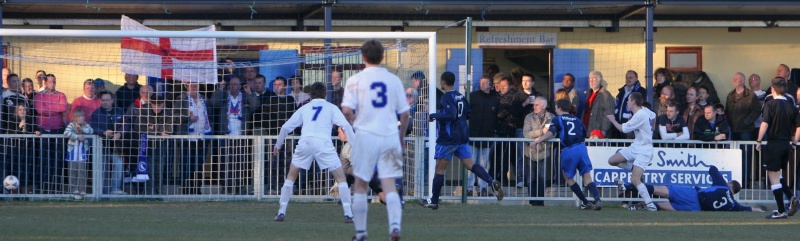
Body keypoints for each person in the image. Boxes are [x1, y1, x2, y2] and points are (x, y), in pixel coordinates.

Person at [341, 39, 409, 241]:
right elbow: (404, 115)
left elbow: (346, 109)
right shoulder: (393, 80)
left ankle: (361, 234)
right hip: (389, 137)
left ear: (363, 57)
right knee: (389, 185)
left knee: (361, 185)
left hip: (366, 136)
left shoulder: (355, 80)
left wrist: (355, 121)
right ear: (382, 57)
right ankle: (395, 228)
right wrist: (401, 137)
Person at [272, 82, 356, 223]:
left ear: (311, 95)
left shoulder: (305, 108)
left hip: (306, 142)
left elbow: (286, 127)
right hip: (323, 143)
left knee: (291, 176)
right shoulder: (331, 108)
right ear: (325, 94)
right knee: (341, 178)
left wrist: (278, 144)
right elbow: (346, 125)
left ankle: (281, 212)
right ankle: (348, 214)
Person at [420, 71, 504, 210]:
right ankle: (491, 181)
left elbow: (451, 114)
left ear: (443, 82)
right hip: (462, 137)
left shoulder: (446, 97)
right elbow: (469, 113)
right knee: (471, 165)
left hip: (448, 138)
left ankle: (433, 200)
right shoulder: (460, 96)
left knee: (439, 169)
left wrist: (434, 115)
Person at [531, 99, 603, 210]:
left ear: (559, 108)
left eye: (555, 107)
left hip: (569, 149)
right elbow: (584, 133)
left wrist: (538, 140)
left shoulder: (557, 119)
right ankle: (598, 200)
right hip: (581, 148)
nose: (555, 109)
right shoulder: (577, 119)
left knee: (568, 177)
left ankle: (585, 202)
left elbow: (551, 132)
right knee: (587, 178)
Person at [618, 166, 763, 212]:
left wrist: (723, 182)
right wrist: (761, 210)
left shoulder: (723, 186)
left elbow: (712, 169)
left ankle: (629, 186)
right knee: (661, 206)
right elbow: (749, 209)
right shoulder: (733, 205)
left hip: (693, 195)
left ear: (730, 185)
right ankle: (637, 208)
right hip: (696, 208)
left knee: (659, 189)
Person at [755, 77, 800, 219]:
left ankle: (781, 211)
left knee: (772, 177)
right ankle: (791, 196)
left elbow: (765, 123)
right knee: (777, 174)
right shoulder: (792, 107)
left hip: (774, 143)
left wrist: (759, 140)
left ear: (772, 89)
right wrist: (794, 143)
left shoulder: (770, 104)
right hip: (786, 145)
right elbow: (799, 128)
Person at [606, 92, 657, 211]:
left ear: (633, 102)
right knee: (612, 160)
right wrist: (652, 128)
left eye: (628, 100)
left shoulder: (640, 115)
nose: (627, 102)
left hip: (644, 150)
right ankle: (634, 173)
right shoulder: (644, 110)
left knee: (635, 179)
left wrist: (613, 120)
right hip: (635, 146)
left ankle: (650, 204)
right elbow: (654, 116)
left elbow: (622, 129)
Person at [210, 75, 258, 194]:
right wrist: (219, 89)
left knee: (239, 163)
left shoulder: (245, 96)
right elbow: (213, 103)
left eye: (236, 84)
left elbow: (255, 107)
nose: (233, 86)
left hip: (241, 135)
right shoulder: (223, 96)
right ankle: (226, 188)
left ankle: (238, 188)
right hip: (225, 134)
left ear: (240, 86)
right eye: (231, 84)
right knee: (225, 163)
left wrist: (250, 93)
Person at [175, 81, 213, 193]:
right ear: (186, 86)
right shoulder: (181, 99)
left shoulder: (203, 98)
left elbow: (209, 114)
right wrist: (188, 119)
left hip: (202, 137)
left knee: (199, 164)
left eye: (196, 85)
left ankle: (197, 189)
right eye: (191, 85)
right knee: (186, 164)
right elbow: (174, 116)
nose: (194, 87)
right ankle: (186, 189)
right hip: (186, 137)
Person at [88, 91, 126, 195]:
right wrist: (103, 132)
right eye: (103, 100)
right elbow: (92, 127)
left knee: (118, 165)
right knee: (102, 168)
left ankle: (115, 189)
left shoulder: (119, 111)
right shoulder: (96, 113)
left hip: (116, 146)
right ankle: (102, 191)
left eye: (107, 100)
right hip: (102, 145)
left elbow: (126, 125)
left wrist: (119, 133)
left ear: (112, 101)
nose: (105, 102)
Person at [467, 76, 498, 197]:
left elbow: (496, 116)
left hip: (487, 136)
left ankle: (483, 188)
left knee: (484, 164)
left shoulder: (495, 99)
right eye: (481, 82)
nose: (482, 84)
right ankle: (469, 188)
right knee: (471, 163)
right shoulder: (473, 97)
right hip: (473, 136)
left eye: (485, 83)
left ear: (490, 85)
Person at [495, 76, 528, 188]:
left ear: (510, 86)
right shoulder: (499, 96)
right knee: (508, 157)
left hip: (508, 130)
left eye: (505, 86)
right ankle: (506, 178)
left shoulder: (512, 97)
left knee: (507, 156)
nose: (502, 88)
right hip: (504, 131)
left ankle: (504, 179)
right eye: (501, 86)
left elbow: (500, 114)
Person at [523, 97, 554, 206]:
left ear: (544, 106)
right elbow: (526, 134)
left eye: (537, 105)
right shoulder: (528, 117)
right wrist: (542, 132)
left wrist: (538, 138)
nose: (534, 107)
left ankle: (540, 202)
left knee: (542, 178)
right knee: (530, 178)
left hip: (544, 152)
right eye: (534, 104)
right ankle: (532, 201)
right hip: (530, 152)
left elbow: (553, 133)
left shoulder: (551, 117)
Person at [64, 108, 93, 200]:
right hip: (72, 154)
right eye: (79, 116)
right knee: (72, 171)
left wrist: (83, 131)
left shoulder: (86, 125)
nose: (81, 118)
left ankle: (82, 189)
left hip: (82, 153)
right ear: (75, 118)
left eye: (82, 116)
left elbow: (91, 131)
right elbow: (66, 133)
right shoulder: (71, 125)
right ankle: (73, 189)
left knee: (82, 171)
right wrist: (77, 136)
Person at [613, 70, 647, 138]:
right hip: (618, 127)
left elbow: (642, 108)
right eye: (627, 77)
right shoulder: (621, 92)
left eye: (631, 77)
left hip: (632, 128)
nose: (628, 79)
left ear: (636, 78)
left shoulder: (641, 91)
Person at [583, 71, 615, 138]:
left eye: (594, 79)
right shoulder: (588, 94)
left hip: (598, 132)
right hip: (587, 129)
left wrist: (604, 130)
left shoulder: (606, 95)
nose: (591, 81)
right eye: (590, 79)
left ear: (599, 81)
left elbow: (609, 114)